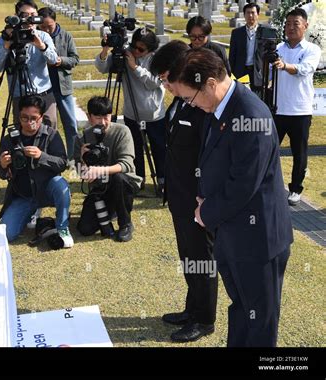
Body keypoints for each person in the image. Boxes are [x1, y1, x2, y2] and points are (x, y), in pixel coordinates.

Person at [170, 48, 293, 347]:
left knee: (258, 320)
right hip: (234, 232)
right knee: (240, 309)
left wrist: (206, 211)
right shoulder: (220, 109)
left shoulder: (251, 115)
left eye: (191, 98)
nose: (192, 105)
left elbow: (243, 183)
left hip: (258, 239)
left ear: (210, 84)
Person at [150, 41, 218, 342]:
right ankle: (192, 308)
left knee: (202, 258)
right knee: (188, 256)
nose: (166, 84)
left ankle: (204, 319)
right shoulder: (179, 101)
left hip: (197, 199)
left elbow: (209, 156)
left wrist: (203, 199)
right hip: (179, 196)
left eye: (167, 77)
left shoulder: (202, 106)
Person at [95, 27, 166, 193]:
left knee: (159, 148)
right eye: (134, 46)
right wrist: (105, 50)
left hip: (154, 115)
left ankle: (163, 179)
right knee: (135, 149)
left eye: (141, 49)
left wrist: (135, 67)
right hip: (131, 114)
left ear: (151, 49)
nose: (136, 51)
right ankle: (137, 178)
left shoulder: (157, 59)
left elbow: (154, 82)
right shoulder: (125, 54)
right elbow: (103, 68)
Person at [0, 95, 73, 247]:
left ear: (41, 118)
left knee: (61, 184)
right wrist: (3, 165)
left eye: (33, 118)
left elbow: (62, 163)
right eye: (24, 118)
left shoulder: (51, 134)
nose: (29, 122)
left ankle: (62, 228)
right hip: (23, 194)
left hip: (47, 189)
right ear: (19, 116)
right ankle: (34, 214)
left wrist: (41, 156)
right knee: (6, 234)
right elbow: (0, 173)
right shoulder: (9, 139)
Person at [74, 96, 142, 242]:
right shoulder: (82, 138)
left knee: (119, 178)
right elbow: (80, 172)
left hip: (124, 183)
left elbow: (127, 165)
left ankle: (125, 224)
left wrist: (100, 171)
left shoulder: (122, 131)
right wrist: (82, 159)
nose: (103, 122)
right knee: (85, 229)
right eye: (98, 117)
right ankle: (111, 210)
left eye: (106, 116)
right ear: (89, 117)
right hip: (100, 188)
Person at [272, 8, 321, 206]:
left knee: (299, 153)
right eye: (288, 24)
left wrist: (285, 66)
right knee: (270, 149)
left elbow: (304, 69)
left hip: (300, 110)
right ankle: (271, 184)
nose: (290, 28)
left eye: (296, 24)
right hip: (278, 108)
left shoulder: (312, 50)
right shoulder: (278, 48)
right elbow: (268, 75)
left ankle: (295, 189)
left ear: (305, 26)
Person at [0, 0, 58, 127]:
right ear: (16, 16)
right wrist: (7, 46)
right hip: (19, 96)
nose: (30, 19)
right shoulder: (6, 38)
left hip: (43, 93)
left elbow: (54, 60)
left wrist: (41, 46)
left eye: (33, 15)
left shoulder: (43, 36)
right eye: (25, 15)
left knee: (50, 130)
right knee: (21, 133)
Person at [38, 7, 79, 162]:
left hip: (63, 87)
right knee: (47, 125)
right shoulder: (35, 37)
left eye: (50, 26)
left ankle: (73, 157)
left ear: (55, 22)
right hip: (44, 88)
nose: (47, 30)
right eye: (43, 27)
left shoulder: (66, 36)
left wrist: (61, 61)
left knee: (70, 124)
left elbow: (75, 59)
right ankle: (50, 156)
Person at [229, 2, 261, 92]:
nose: (250, 15)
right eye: (248, 13)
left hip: (257, 72)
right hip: (241, 72)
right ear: (244, 15)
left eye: (253, 13)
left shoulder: (264, 32)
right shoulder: (236, 33)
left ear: (258, 14)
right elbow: (232, 55)